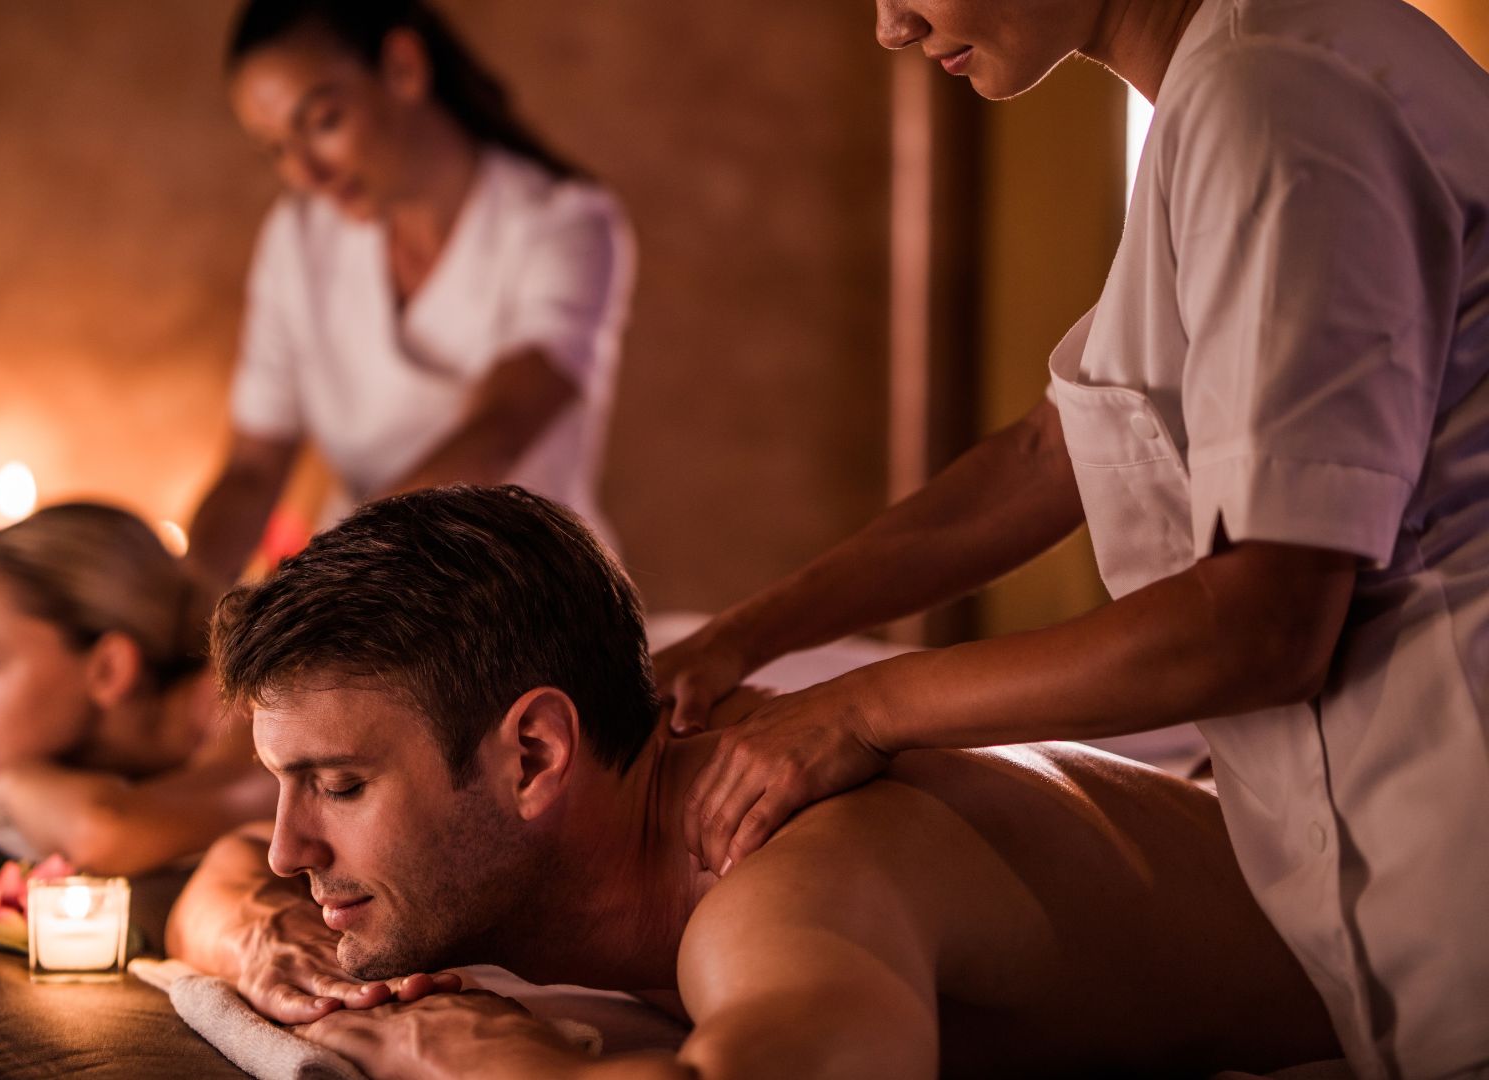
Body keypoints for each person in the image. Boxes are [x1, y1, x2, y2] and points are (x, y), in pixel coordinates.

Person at [652, 1, 1489, 1076]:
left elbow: (1266, 624)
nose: (890, 26)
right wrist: (739, 638)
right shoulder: (1227, 88)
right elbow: (1054, 453)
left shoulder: (1275, 95)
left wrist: (863, 709)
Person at [166, 485, 1338, 1078]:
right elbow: (217, 880)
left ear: (532, 757)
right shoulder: (587, 815)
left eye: (337, 787)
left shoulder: (780, 882)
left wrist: (494, 1064)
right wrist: (260, 939)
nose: (287, 848)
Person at [185, 0, 634, 591]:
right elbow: (251, 471)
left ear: (403, 67)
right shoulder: (297, 239)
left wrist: (318, 577)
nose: (304, 174)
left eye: (322, 122)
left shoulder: (563, 223)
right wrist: (179, 604)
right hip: (354, 598)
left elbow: (497, 435)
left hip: (528, 599)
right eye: (276, 149)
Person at [0, 503, 274, 875]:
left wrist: (11, 780)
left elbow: (107, 832)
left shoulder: (249, 709)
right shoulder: (76, 732)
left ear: (108, 669)